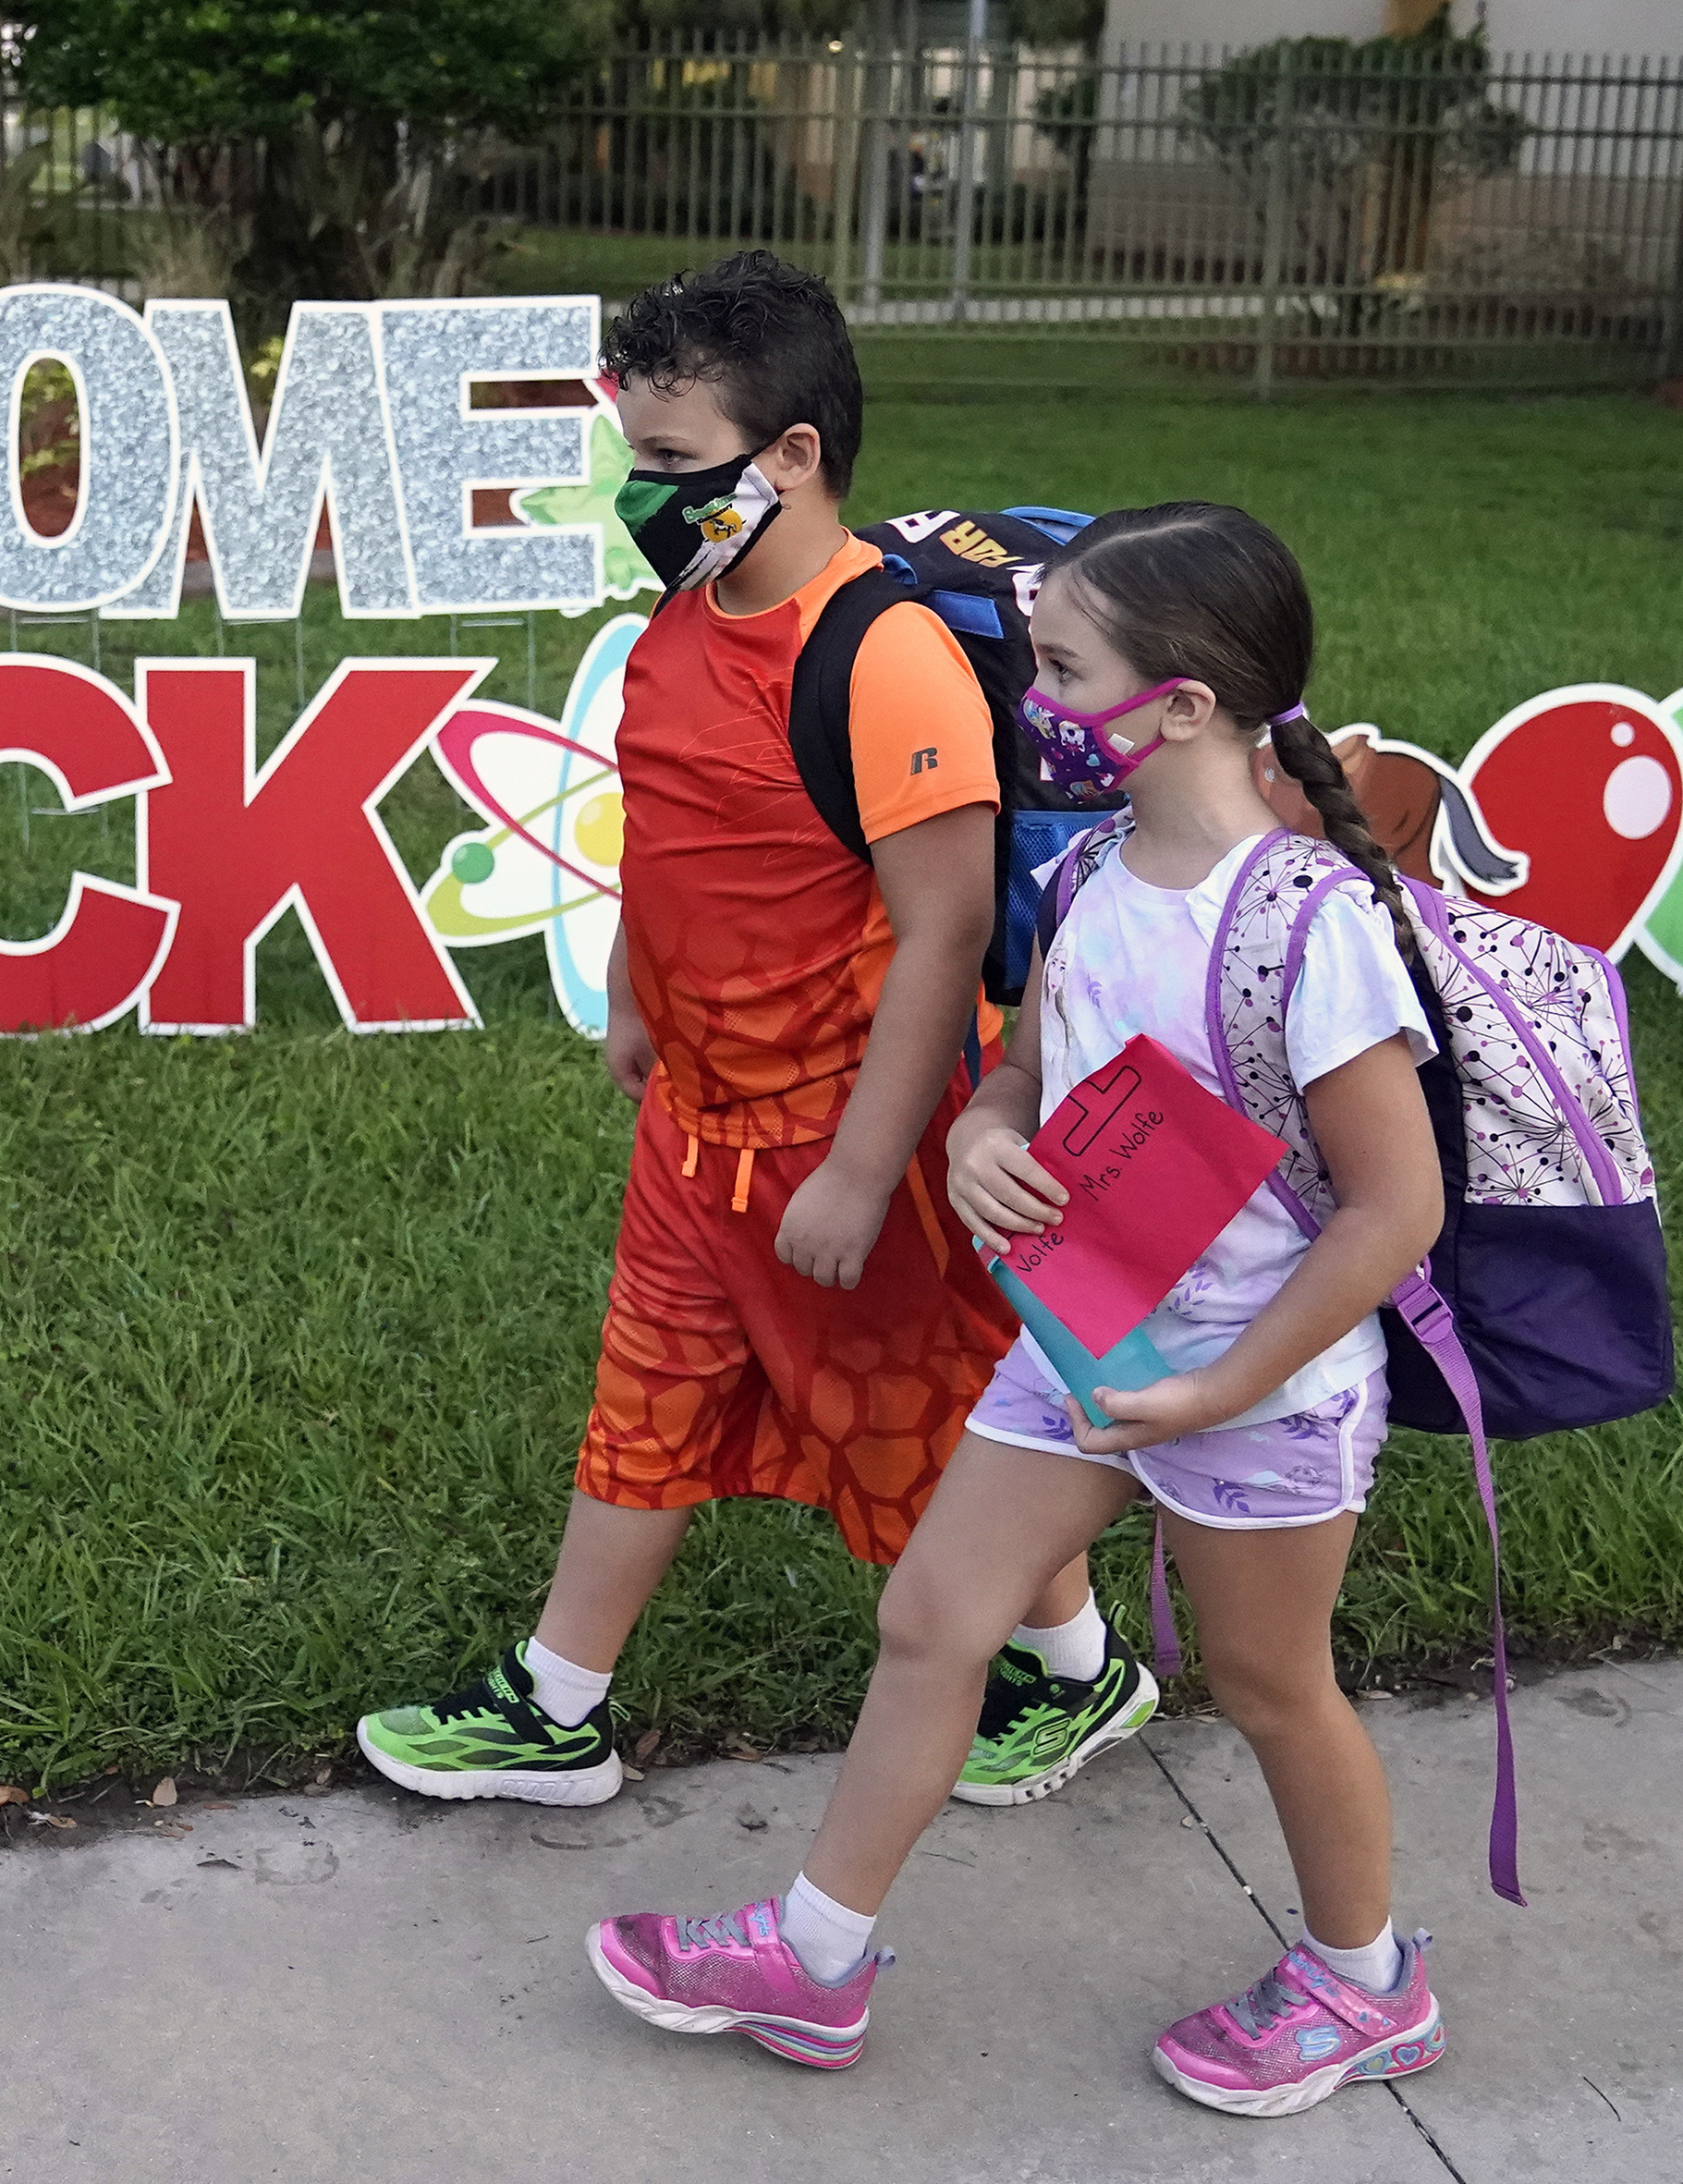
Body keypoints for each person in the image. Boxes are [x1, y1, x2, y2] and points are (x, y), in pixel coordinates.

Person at [584, 502, 1456, 2113]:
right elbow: (1022, 1073)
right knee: (930, 1618)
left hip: (1259, 1390)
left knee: (1272, 1687)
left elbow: (1398, 1210)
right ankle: (816, 1955)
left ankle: (1365, 1981)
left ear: (1180, 702)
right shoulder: (1103, 871)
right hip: (1083, 1346)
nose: (1027, 696)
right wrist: (986, 1142)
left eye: (1057, 667)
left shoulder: (1312, 927)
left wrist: (1217, 1388)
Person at [357, 250, 1144, 1814]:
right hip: (697, 1125)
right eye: (632, 457)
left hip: (851, 1130)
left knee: (918, 1430)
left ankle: (1080, 1669)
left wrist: (860, 1172)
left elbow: (939, 928)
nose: (645, 495)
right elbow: (668, 825)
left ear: (791, 454)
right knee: (643, 1399)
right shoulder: (687, 616)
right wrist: (642, 998)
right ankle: (556, 1702)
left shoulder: (885, 654)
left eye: (670, 460)